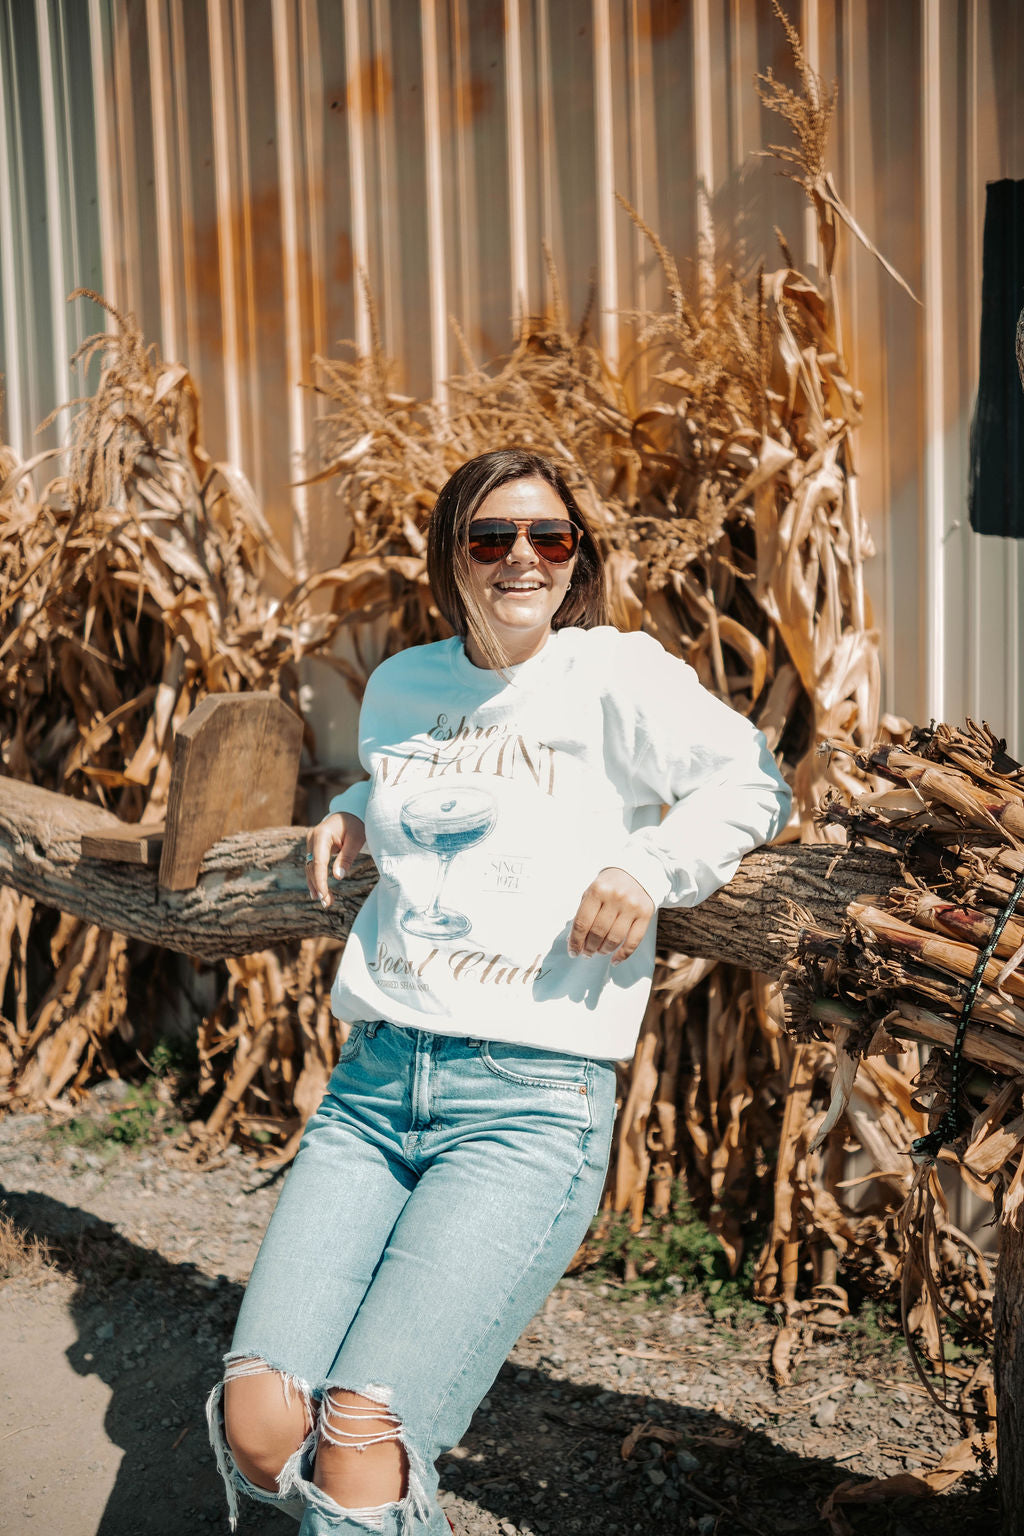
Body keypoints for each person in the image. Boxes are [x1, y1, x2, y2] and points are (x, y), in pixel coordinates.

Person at [206, 447, 791, 1536]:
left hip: (526, 1107)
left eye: (548, 536)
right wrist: (356, 808)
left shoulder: (614, 675)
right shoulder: (403, 685)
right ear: (452, 555)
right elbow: (412, 777)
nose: (523, 558)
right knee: (261, 1425)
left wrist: (648, 868)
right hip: (373, 1088)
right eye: (491, 537)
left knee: (361, 1446)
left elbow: (755, 780)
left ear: (576, 556)